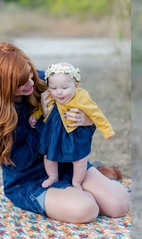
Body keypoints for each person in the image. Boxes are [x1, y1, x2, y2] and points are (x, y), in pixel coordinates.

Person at [0, 42, 129, 223]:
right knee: (86, 210)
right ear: (3, 85)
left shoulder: (42, 81)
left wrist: (87, 121)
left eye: (30, 74)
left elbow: (81, 101)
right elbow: (19, 161)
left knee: (120, 204)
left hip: (65, 161)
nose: (32, 83)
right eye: (22, 83)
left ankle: (82, 185)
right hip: (29, 179)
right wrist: (42, 121)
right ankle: (74, 193)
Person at [28, 62, 114, 190]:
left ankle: (77, 182)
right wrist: (35, 115)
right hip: (54, 133)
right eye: (54, 88)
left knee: (79, 160)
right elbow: (41, 108)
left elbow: (96, 113)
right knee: (49, 156)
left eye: (64, 88)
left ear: (76, 85)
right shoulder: (50, 95)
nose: (59, 93)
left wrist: (107, 130)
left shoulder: (81, 97)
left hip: (74, 134)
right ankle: (52, 176)